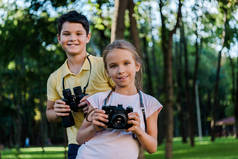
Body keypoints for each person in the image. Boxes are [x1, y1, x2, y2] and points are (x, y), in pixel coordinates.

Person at [75, 40, 163, 159]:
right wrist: (94, 127)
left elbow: (152, 148)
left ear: (137, 66)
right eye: (113, 66)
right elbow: (80, 139)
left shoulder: (149, 103)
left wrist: (138, 130)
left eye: (126, 63)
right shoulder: (98, 99)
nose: (120, 70)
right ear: (107, 71)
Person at [46, 10, 113, 159]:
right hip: (76, 145)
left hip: (108, 139)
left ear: (87, 37)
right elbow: (48, 113)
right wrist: (57, 111)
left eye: (78, 33)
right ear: (59, 38)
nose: (72, 38)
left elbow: (127, 95)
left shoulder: (104, 65)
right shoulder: (55, 78)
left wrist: (96, 101)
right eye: (67, 34)